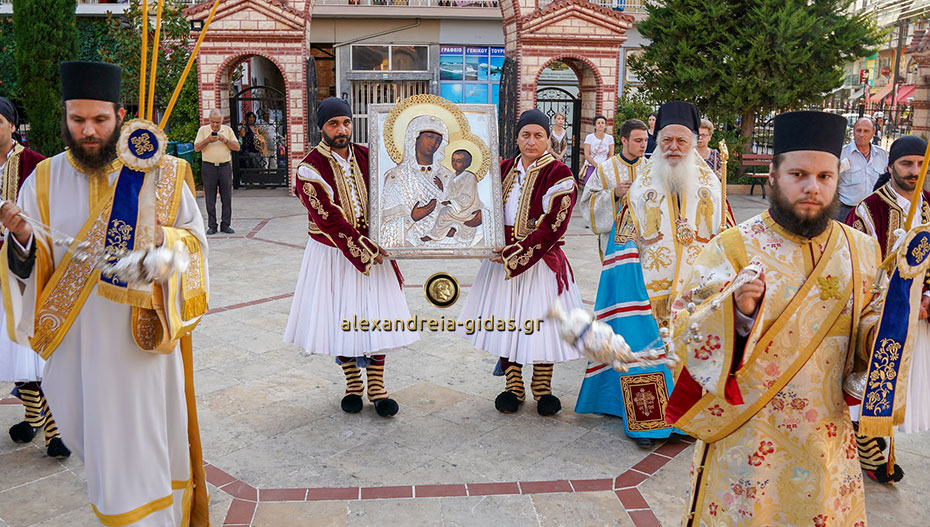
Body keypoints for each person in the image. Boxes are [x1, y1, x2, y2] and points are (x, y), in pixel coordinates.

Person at [0, 61, 209, 526]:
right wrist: (19, 239)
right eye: (77, 120)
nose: (88, 131)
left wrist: (164, 244)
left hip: (145, 343)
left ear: (120, 114)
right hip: (82, 349)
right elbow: (31, 266)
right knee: (104, 457)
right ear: (64, 117)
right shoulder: (44, 181)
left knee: (152, 448)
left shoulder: (164, 173)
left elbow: (196, 244)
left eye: (99, 120)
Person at [666, 111, 880, 526]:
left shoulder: (862, 251)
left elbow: (871, 337)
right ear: (773, 174)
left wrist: (899, 321)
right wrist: (736, 317)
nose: (812, 188)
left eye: (825, 177)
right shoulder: (732, 248)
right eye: (798, 174)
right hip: (748, 439)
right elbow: (682, 329)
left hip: (826, 441)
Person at [574, 102, 733, 447]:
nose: (674, 147)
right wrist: (627, 282)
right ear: (657, 141)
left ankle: (685, 420)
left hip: (697, 292)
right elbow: (624, 235)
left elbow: (727, 234)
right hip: (648, 289)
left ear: (693, 142)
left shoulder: (710, 181)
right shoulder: (642, 182)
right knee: (644, 352)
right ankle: (647, 422)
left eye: (682, 140)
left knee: (691, 355)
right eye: (667, 140)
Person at [284, 97, 419, 417]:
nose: (341, 129)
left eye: (345, 122)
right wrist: (366, 249)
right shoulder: (309, 168)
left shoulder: (368, 156)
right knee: (340, 320)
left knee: (377, 318)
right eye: (334, 124)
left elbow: (396, 188)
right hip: (333, 255)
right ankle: (352, 385)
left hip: (375, 252)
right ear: (322, 128)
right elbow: (328, 219)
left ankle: (377, 386)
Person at [456, 109, 581, 416]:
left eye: (538, 135)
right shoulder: (502, 169)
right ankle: (513, 386)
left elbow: (553, 225)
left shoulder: (559, 174)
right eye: (526, 135)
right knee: (507, 323)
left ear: (547, 138)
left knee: (542, 326)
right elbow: (477, 203)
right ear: (517, 138)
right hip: (500, 261)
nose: (531, 141)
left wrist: (516, 253)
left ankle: (542, 388)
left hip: (540, 261)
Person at [846, 134, 930, 484]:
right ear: (890, 166)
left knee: (908, 387)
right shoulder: (867, 210)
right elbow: (855, 267)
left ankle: (879, 437)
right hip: (882, 317)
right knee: (874, 384)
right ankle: (868, 446)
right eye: (906, 164)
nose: (913, 171)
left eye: (920, 165)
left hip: (925, 315)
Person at [0, 96, 68, 458]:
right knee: (7, 348)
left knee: (34, 349)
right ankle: (31, 413)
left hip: (26, 269)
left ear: (12, 126)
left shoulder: (35, 165)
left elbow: (53, 215)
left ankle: (55, 426)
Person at [380, 115, 462, 247]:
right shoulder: (396, 176)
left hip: (445, 251)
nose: (434, 143)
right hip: (408, 253)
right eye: (429, 136)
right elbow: (384, 229)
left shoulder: (447, 176)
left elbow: (462, 215)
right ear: (415, 137)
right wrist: (411, 218)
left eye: (438, 139)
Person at [579, 118, 648, 259]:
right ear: (624, 140)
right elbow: (587, 203)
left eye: (645, 140)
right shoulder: (604, 169)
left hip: (644, 242)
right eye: (638, 140)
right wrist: (614, 194)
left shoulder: (650, 169)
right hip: (615, 242)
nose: (643, 145)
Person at [421, 148, 488, 244]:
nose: (455, 163)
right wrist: (442, 187)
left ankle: (434, 235)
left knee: (445, 211)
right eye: (453, 160)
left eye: (459, 161)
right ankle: (451, 228)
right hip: (458, 208)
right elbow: (449, 194)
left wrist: (451, 202)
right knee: (439, 207)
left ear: (466, 163)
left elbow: (468, 197)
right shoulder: (452, 176)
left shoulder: (469, 177)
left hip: (468, 209)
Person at [194, 108, 240, 235]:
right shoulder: (203, 131)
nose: (215, 125)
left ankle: (226, 224)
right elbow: (196, 148)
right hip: (209, 167)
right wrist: (207, 140)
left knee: (226, 197)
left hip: (225, 167)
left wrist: (225, 140)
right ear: (209, 121)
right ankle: (212, 225)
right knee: (210, 197)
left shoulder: (228, 130)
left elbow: (237, 147)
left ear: (222, 121)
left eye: (218, 122)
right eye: (213, 122)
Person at [836, 117, 888, 221]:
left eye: (866, 131)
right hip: (846, 211)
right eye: (858, 130)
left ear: (873, 133)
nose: (861, 134)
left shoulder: (882, 155)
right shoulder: (842, 153)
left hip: (873, 211)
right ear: (854, 131)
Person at [581, 115, 614, 185]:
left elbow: (611, 154)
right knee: (590, 187)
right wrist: (596, 165)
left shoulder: (609, 138)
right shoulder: (589, 137)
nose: (600, 125)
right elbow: (586, 154)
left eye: (602, 123)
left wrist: (604, 165)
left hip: (604, 167)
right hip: (591, 166)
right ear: (595, 126)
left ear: (605, 126)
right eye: (598, 123)